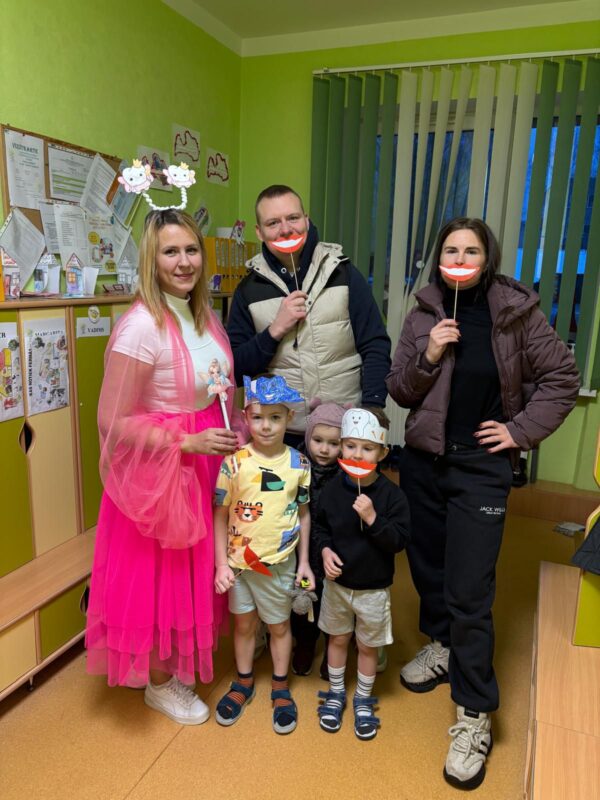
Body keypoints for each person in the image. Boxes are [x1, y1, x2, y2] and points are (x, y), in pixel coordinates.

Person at [386, 217, 580, 789]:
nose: (460, 258)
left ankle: (474, 713)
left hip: (481, 470)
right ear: (438, 257)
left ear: (487, 257)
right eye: (451, 249)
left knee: (470, 590)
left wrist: (518, 432)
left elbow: (562, 379)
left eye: (471, 250)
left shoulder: (516, 313)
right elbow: (399, 389)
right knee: (428, 570)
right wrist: (428, 356)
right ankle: (441, 645)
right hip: (423, 463)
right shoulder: (423, 312)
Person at [85, 209, 241, 725]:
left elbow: (216, 386)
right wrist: (185, 440)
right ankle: (158, 681)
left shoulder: (203, 314)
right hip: (163, 471)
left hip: (203, 459)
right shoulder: (140, 328)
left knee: (192, 573)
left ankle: (173, 663)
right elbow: (112, 420)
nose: (184, 262)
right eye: (170, 252)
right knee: (160, 578)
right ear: (151, 260)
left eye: (191, 250)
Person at [226, 184, 391, 445]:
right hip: (280, 436)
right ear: (259, 232)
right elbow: (235, 368)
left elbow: (375, 344)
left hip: (343, 431)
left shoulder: (342, 273)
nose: (285, 229)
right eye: (273, 223)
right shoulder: (248, 291)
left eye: (293, 218)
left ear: (306, 219)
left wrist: (372, 408)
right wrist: (274, 331)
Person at [213, 374, 315, 734]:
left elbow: (303, 514)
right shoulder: (233, 463)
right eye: (257, 417)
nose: (266, 426)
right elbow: (220, 514)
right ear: (245, 417)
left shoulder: (299, 464)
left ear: (289, 418)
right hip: (239, 567)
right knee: (243, 625)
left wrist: (304, 562)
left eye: (275, 417)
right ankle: (243, 681)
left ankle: (280, 686)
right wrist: (221, 565)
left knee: (279, 626)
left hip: (280, 565)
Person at [313, 408, 410, 740]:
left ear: (382, 452)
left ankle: (364, 699)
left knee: (368, 647)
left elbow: (399, 541)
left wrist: (373, 519)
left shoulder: (393, 496)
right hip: (337, 586)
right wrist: (325, 551)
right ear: (341, 447)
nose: (357, 454)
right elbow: (321, 529)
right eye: (351, 446)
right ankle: (336, 692)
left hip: (373, 589)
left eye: (367, 448)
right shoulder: (331, 490)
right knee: (337, 639)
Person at [291, 398, 345, 678]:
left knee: (333, 602)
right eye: (318, 440)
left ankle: (333, 647)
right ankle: (305, 641)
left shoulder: (347, 476)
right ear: (308, 437)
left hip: (332, 552)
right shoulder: (296, 467)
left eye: (333, 443)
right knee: (303, 600)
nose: (324, 449)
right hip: (301, 552)